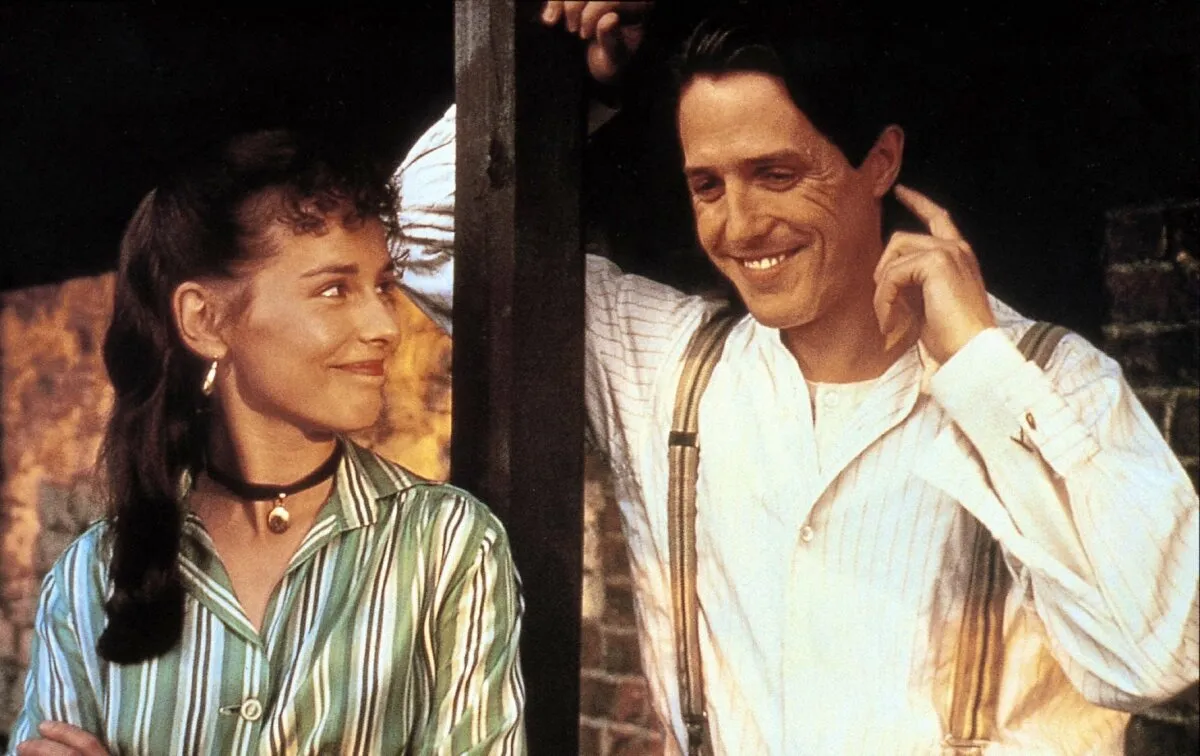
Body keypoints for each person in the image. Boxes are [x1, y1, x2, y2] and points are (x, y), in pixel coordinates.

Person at [394, 3, 1199, 753]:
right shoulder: (669, 364)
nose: (740, 225)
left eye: (777, 174)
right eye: (708, 185)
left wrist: (982, 372)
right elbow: (421, 235)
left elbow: (1151, 658)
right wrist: (566, 75)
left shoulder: (1052, 382)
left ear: (879, 161)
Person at [9, 129, 526, 755]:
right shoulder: (91, 577)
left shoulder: (447, 546)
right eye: (334, 289)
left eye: (384, 286)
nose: (385, 326)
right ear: (205, 320)